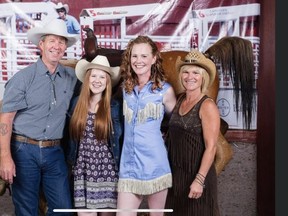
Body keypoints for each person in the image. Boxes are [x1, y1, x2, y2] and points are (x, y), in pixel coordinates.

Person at [0, 18, 79, 215]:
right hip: (24, 150)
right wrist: (5, 158)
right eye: (52, 40)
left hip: (54, 151)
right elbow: (6, 119)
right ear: (41, 44)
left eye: (61, 42)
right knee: (27, 209)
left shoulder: (71, 78)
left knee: (63, 209)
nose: (57, 46)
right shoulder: (23, 78)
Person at [116, 35, 177, 216]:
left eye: (144, 56)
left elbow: (178, 124)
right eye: (134, 56)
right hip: (129, 166)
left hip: (155, 164)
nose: (138, 61)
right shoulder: (125, 88)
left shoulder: (165, 91)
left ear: (154, 58)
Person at [164, 50, 220, 215]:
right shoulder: (179, 99)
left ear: (203, 77)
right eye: (186, 72)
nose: (190, 76)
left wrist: (199, 180)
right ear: (181, 75)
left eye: (196, 72)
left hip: (196, 177)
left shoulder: (207, 106)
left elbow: (211, 147)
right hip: (176, 178)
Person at [67, 55, 123, 215]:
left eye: (102, 77)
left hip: (107, 171)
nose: (97, 80)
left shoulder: (114, 107)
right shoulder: (76, 103)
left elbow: (122, 139)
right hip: (83, 169)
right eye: (93, 75)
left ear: (107, 82)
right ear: (87, 78)